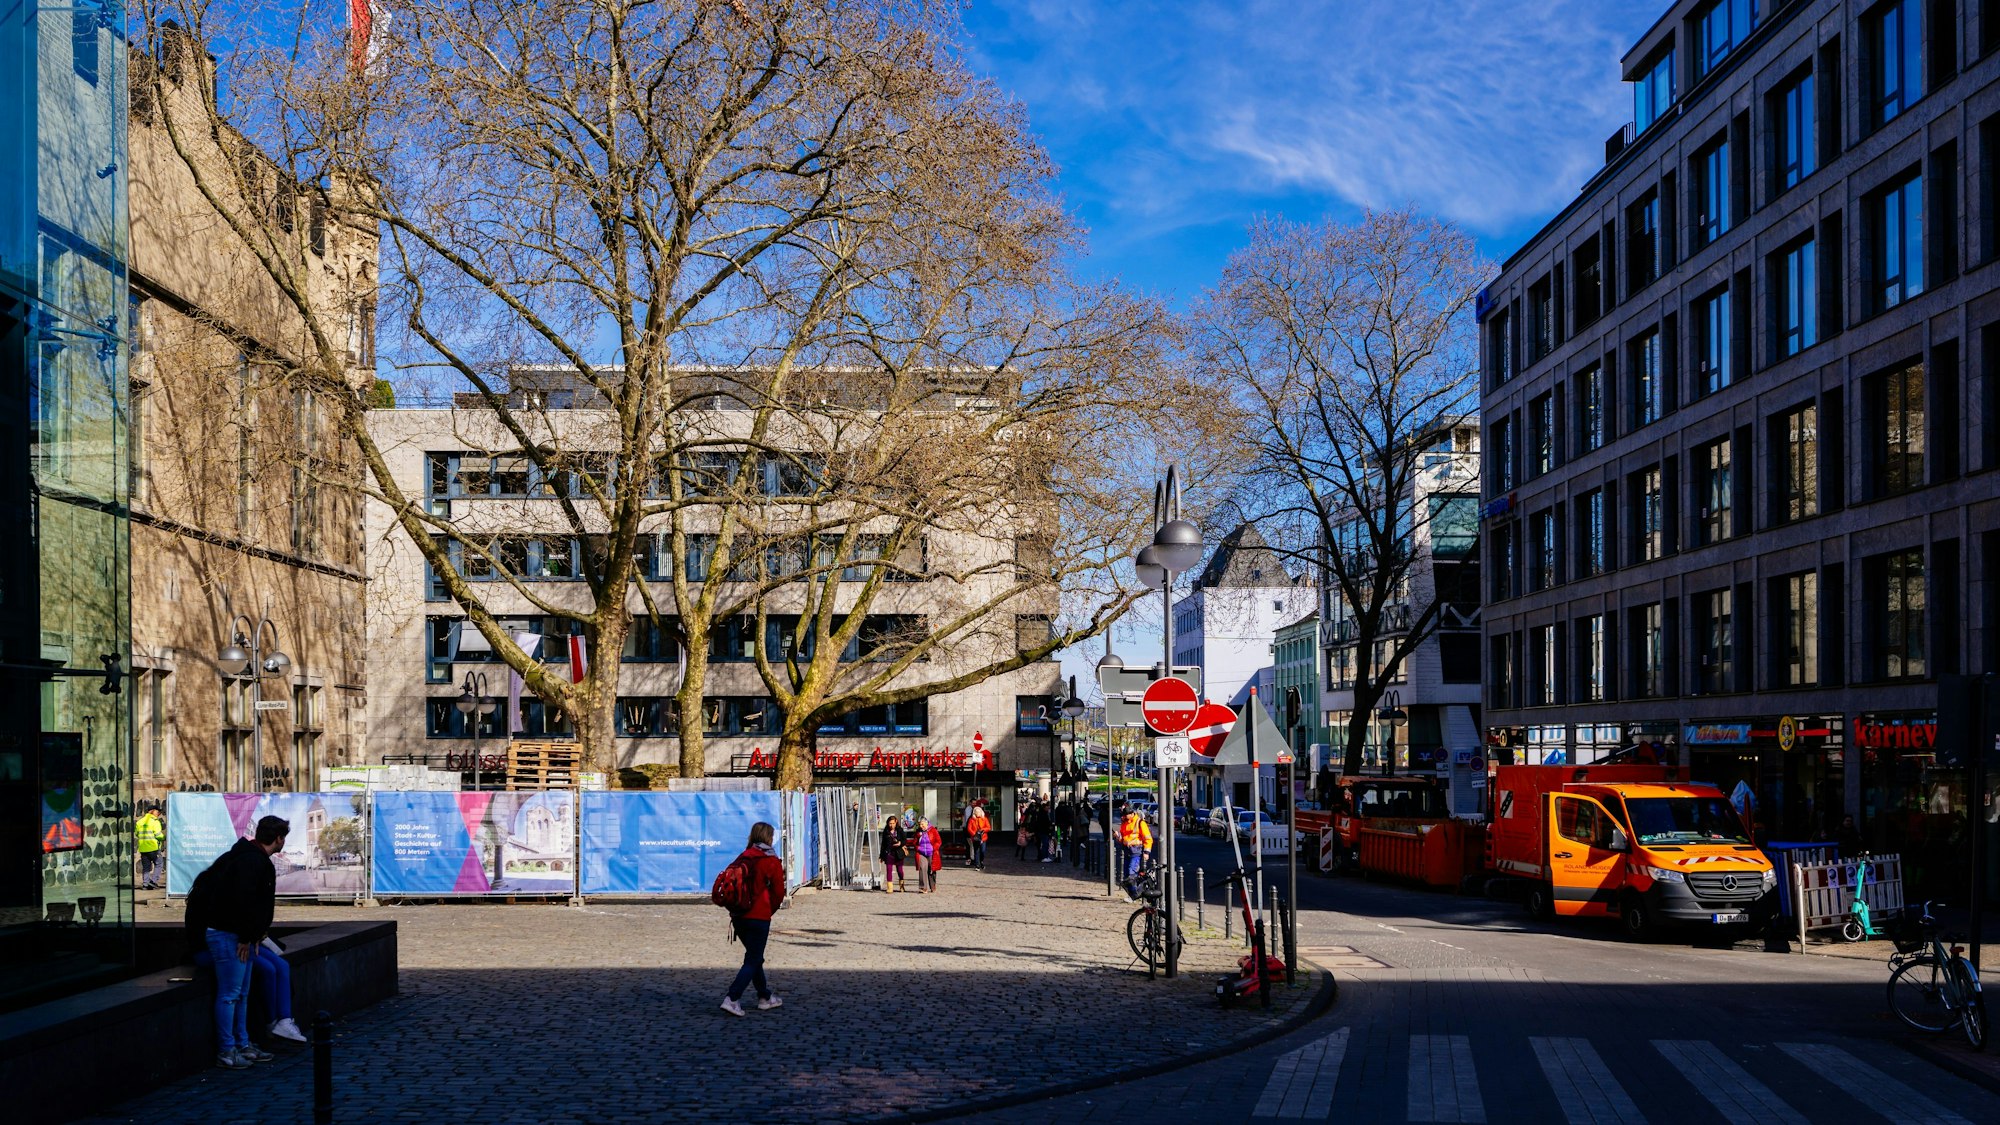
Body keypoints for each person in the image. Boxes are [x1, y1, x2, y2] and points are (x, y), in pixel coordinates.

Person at [186, 815, 287, 1069]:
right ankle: (227, 1049)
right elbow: (244, 902)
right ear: (278, 839)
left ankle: (241, 1044)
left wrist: (251, 935)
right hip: (229, 935)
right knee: (230, 995)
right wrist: (246, 936)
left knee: (240, 994)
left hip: (238, 935)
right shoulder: (251, 861)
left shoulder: (247, 857)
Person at [720, 822, 787, 1016]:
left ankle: (764, 996)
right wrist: (768, 911)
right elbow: (778, 893)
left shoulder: (744, 856)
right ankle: (732, 998)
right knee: (752, 959)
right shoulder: (770, 860)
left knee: (755, 957)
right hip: (759, 917)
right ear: (769, 838)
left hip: (738, 916)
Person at [1118, 804, 1152, 901]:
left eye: (1126, 815)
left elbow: (1148, 838)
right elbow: (1123, 837)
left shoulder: (1140, 822)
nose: (1125, 817)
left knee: (1131, 873)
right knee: (1127, 875)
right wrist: (1118, 836)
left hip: (1136, 851)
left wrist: (1146, 852)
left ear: (1132, 814)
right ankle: (1132, 895)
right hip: (1128, 850)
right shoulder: (1125, 822)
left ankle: (1135, 895)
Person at [135, 805, 165, 890]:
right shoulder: (155, 821)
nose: (158, 813)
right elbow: (158, 835)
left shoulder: (139, 822)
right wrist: (164, 837)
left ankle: (145, 884)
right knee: (159, 864)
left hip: (143, 848)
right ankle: (153, 882)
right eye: (157, 811)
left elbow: (137, 834)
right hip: (153, 848)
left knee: (146, 867)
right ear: (152, 811)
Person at [880, 813, 908, 892]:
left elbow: (904, 840)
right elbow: (883, 844)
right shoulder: (886, 831)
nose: (891, 825)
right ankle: (890, 887)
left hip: (898, 853)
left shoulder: (900, 830)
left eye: (893, 823)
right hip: (889, 853)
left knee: (900, 871)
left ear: (896, 822)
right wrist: (881, 856)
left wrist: (900, 843)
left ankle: (901, 885)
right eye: (890, 823)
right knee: (889, 870)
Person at [913, 817, 938, 893]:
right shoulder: (918, 832)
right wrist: (918, 848)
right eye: (919, 824)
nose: (921, 826)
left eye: (922, 824)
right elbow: (915, 842)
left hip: (931, 853)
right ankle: (923, 887)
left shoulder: (933, 830)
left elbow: (938, 841)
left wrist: (934, 848)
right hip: (921, 853)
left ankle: (933, 885)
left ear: (926, 823)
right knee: (922, 868)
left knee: (931, 869)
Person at [965, 802, 991, 871]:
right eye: (976, 812)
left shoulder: (984, 818)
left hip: (983, 837)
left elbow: (988, 827)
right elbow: (969, 828)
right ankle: (977, 865)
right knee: (976, 851)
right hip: (975, 838)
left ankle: (981, 861)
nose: (977, 813)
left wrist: (983, 830)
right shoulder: (971, 819)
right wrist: (974, 834)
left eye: (978, 812)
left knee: (982, 851)